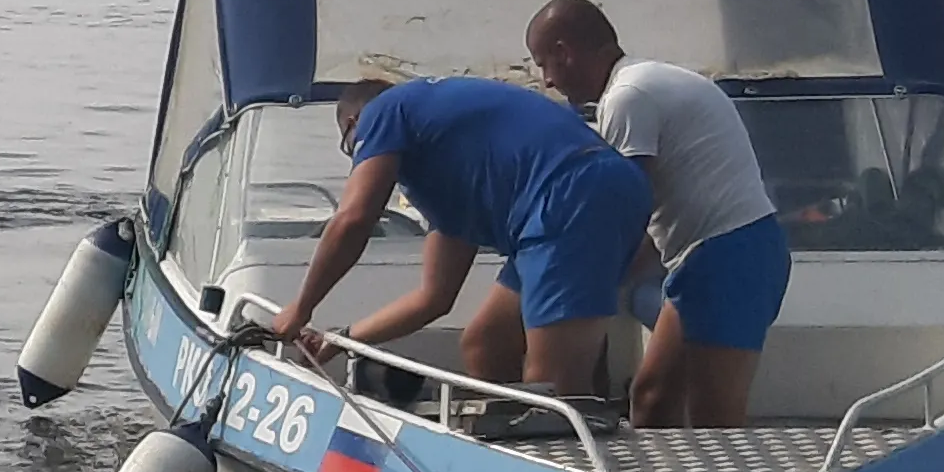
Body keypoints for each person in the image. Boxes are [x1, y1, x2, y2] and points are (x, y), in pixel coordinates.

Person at [275, 71, 659, 418]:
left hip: (571, 195)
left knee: (552, 389)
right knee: (487, 342)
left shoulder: (384, 112)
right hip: (566, 204)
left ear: (355, 124)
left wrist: (301, 308)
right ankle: (519, 445)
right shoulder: (446, 178)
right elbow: (433, 298)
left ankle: (567, 465)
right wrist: (341, 339)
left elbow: (353, 219)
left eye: (352, 147)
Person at [516, 0, 789, 427]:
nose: (547, 81)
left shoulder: (628, 96)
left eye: (542, 63)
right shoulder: (644, 80)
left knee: (714, 420)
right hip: (710, 257)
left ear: (565, 52)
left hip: (730, 256)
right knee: (651, 397)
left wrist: (572, 296)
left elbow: (626, 212)